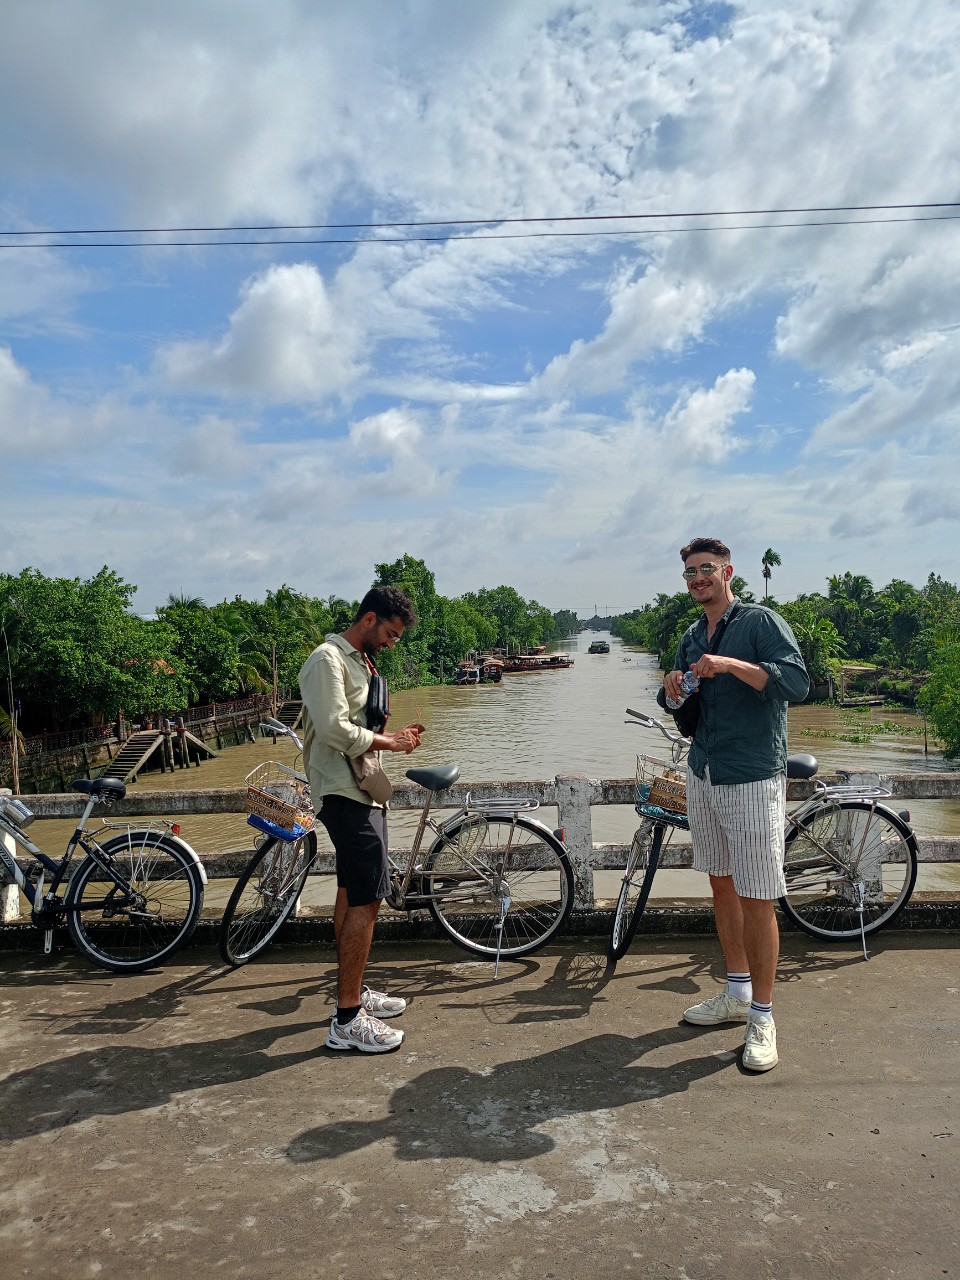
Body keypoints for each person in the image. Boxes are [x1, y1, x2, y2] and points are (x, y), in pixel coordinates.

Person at [659, 537, 809, 1072]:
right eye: (690, 573)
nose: (698, 579)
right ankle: (737, 990)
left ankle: (763, 1016)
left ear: (728, 572)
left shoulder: (760, 623)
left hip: (751, 775)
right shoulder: (690, 635)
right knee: (720, 881)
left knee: (758, 893)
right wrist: (674, 687)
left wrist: (731, 664)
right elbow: (678, 705)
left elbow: (795, 682)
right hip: (704, 770)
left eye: (706, 570)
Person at [299, 586, 424, 1054]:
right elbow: (332, 728)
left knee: (352, 891)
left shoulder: (360, 663)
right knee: (370, 899)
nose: (393, 643)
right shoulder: (326, 660)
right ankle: (348, 1018)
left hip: (363, 787)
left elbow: (357, 724)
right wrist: (388, 743)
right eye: (390, 633)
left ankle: (351, 992)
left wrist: (392, 736)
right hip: (341, 789)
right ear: (369, 618)